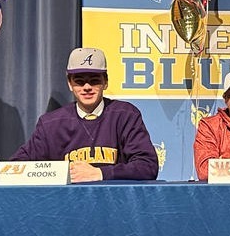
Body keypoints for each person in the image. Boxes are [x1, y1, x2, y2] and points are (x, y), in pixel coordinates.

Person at [10, 47, 159, 182]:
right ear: (70, 83)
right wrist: (59, 174)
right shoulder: (50, 124)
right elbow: (14, 169)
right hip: (68, 201)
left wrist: (101, 173)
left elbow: (148, 166)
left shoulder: (126, 115)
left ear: (105, 82)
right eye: (79, 81)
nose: (87, 87)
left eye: (94, 81)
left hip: (113, 201)